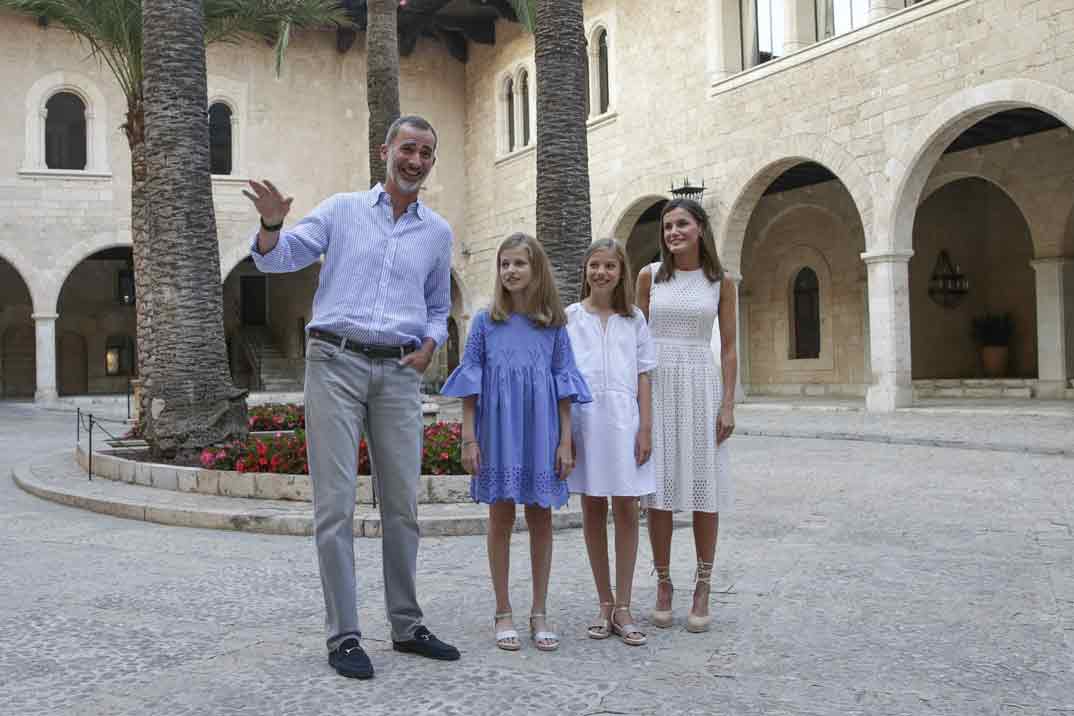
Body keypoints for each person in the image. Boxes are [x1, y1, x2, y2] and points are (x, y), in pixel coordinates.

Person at [243, 115, 460, 680]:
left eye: (427, 153)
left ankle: (407, 625)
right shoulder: (341, 210)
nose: (416, 160)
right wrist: (270, 224)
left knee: (403, 508)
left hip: (399, 373)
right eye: (408, 148)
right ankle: (344, 636)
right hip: (335, 364)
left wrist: (432, 342)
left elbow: (438, 304)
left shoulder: (436, 232)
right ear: (384, 150)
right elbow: (278, 257)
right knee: (334, 507)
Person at [440, 233, 591, 653]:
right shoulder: (486, 323)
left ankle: (539, 611)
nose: (510, 271)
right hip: (498, 432)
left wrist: (565, 442)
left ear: (536, 268)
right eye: (504, 264)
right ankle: (502, 609)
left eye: (519, 263)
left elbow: (565, 389)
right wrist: (469, 438)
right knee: (500, 520)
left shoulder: (554, 326)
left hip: (541, 432)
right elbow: (471, 384)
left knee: (542, 521)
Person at [635, 198, 736, 634]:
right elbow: (637, 341)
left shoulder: (720, 281)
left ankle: (704, 585)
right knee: (659, 490)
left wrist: (728, 403)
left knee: (703, 488)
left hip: (700, 384)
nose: (673, 232)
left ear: (700, 228)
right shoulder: (649, 276)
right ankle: (663, 583)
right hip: (658, 385)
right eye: (667, 226)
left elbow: (729, 346)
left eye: (681, 224)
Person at [566, 238, 657, 647]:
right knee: (592, 506)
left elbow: (643, 375)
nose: (601, 273)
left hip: (625, 420)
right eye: (594, 265)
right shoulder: (569, 318)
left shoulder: (634, 318)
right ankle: (604, 603)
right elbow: (564, 379)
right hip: (586, 421)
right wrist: (564, 435)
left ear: (621, 272)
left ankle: (624, 605)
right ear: (585, 270)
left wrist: (646, 428)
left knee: (626, 506)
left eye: (610, 266)